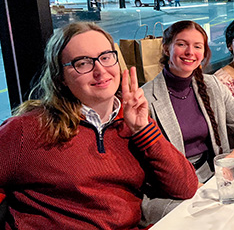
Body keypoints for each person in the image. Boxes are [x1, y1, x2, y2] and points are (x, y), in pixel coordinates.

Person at [0, 22, 198, 229]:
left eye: (106, 57)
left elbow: (186, 187)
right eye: (83, 63)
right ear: (60, 78)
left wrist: (143, 130)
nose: (101, 71)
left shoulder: (132, 120)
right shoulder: (27, 128)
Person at [141, 20, 234, 225]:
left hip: (216, 179)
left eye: (197, 46)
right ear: (166, 47)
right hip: (169, 192)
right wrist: (199, 189)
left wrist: (233, 157)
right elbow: (146, 168)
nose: (190, 52)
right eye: (182, 44)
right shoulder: (146, 97)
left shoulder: (212, 85)